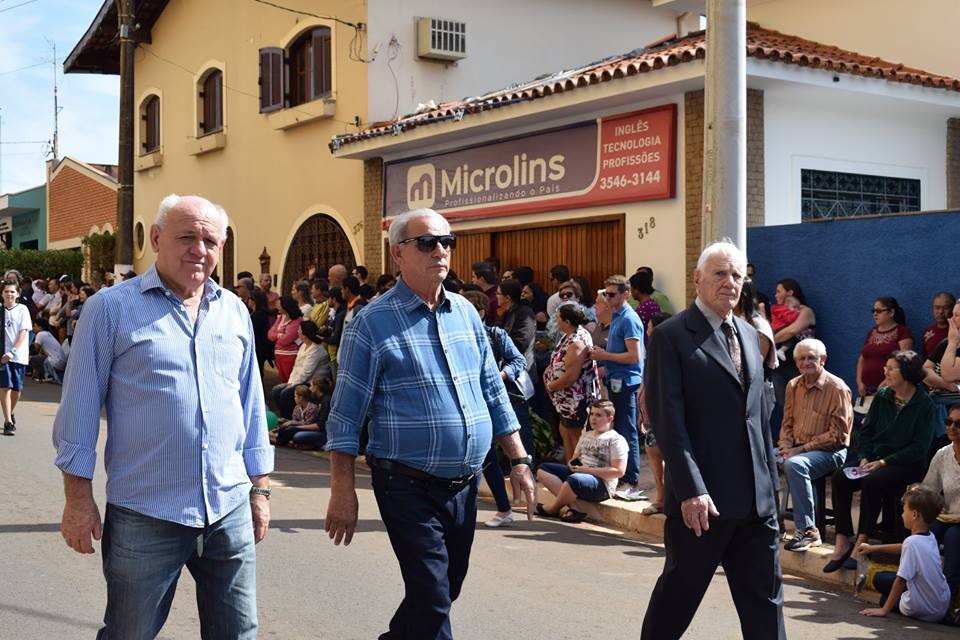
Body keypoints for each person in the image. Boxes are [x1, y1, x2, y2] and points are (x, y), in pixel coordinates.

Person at [52, 194, 273, 639]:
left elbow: (250, 404)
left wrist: (260, 489)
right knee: (129, 633)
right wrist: (77, 500)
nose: (199, 249)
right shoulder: (110, 309)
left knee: (239, 633)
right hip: (145, 512)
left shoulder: (233, 311)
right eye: (187, 236)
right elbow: (78, 408)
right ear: (156, 239)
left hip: (227, 507)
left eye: (210, 241)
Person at [323, 208, 536, 640]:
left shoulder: (467, 314)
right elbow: (345, 415)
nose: (440, 250)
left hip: (463, 485)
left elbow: (493, 392)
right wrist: (342, 490)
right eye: (427, 242)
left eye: (446, 242)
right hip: (405, 484)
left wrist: (519, 460)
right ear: (397, 253)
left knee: (444, 590)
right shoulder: (371, 323)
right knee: (433, 596)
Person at [641, 241, 784, 640]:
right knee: (676, 601)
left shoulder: (751, 335)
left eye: (737, 275)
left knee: (766, 608)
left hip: (757, 507)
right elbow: (669, 421)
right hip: (703, 505)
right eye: (720, 273)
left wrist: (770, 489)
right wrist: (690, 490)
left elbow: (757, 418)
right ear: (697, 279)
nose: (730, 282)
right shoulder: (671, 336)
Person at [826, 350, 935, 573]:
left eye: (891, 368)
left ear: (907, 372)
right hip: (874, 459)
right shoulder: (883, 396)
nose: (885, 372)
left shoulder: (924, 404)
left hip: (905, 464)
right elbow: (866, 432)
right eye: (886, 367)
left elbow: (919, 448)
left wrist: (884, 462)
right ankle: (842, 538)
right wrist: (865, 456)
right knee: (840, 477)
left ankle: (862, 541)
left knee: (873, 481)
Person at [461, 289, 533, 529]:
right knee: (482, 455)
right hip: (465, 403)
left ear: (481, 312)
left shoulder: (495, 335)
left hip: (490, 403)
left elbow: (519, 360)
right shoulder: (454, 336)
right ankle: (499, 508)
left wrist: (499, 376)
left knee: (484, 454)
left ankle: (493, 509)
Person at [777, 339, 853, 551]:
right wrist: (785, 446)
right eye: (801, 358)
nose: (806, 362)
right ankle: (773, 522)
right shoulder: (793, 385)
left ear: (823, 359)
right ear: (796, 362)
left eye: (811, 357)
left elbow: (838, 435)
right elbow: (787, 423)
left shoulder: (837, 388)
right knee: (760, 458)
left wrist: (799, 450)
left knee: (795, 465)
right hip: (796, 448)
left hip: (830, 451)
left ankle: (808, 530)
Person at [858, 484, 952, 622]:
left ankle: (890, 604)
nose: (902, 515)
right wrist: (873, 548)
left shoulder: (912, 542)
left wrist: (884, 610)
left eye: (904, 510)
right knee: (884, 580)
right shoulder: (930, 537)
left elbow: (901, 580)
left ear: (914, 514)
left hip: (925, 610)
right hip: (941, 605)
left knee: (881, 585)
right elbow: (905, 547)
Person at [589, 275, 645, 501]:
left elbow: (634, 356)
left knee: (627, 430)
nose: (607, 298)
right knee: (620, 430)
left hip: (626, 382)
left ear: (625, 295)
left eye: (612, 294)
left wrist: (605, 355)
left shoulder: (629, 319)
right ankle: (623, 476)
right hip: (616, 380)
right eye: (606, 294)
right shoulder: (617, 316)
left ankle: (631, 479)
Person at [535, 400, 627, 523]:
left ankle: (553, 509)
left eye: (598, 415)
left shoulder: (616, 440)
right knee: (543, 469)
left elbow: (619, 471)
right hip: (579, 474)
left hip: (601, 484)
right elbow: (575, 457)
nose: (593, 418)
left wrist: (587, 470)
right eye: (592, 414)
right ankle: (575, 508)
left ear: (610, 418)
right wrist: (571, 464)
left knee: (574, 480)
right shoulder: (586, 435)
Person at [544, 304, 599, 464]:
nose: (555, 321)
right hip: (565, 399)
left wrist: (551, 386)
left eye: (558, 318)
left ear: (567, 322)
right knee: (565, 431)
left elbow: (571, 376)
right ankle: (571, 469)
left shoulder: (577, 342)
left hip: (576, 399)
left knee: (576, 438)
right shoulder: (569, 335)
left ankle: (580, 472)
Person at [921, 405, 960, 602]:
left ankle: (947, 597)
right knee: (926, 533)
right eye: (948, 422)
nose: (952, 427)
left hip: (957, 523)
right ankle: (921, 587)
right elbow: (929, 490)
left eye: (958, 424)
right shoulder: (943, 454)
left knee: (953, 537)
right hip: (947, 516)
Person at [770, 278, 816, 437]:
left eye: (779, 291)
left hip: (801, 366)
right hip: (779, 366)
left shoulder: (805, 311)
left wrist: (771, 339)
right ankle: (789, 439)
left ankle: (804, 438)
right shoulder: (778, 311)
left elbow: (791, 331)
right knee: (784, 405)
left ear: (790, 292)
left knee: (803, 403)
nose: (776, 295)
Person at [638, 311, 672, 516]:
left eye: (650, 326)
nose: (648, 330)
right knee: (653, 453)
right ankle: (660, 497)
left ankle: (667, 498)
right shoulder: (651, 350)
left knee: (666, 455)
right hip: (650, 412)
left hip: (663, 413)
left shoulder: (668, 352)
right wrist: (642, 412)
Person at [856, 296, 914, 400]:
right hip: (867, 392)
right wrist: (859, 382)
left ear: (891, 312)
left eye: (878, 311)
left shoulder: (902, 332)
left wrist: (885, 383)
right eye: (873, 311)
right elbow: (862, 359)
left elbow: (904, 362)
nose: (875, 314)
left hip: (891, 390)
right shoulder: (872, 332)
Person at [270, 320, 331, 418]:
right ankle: (284, 417)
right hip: (301, 380)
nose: (297, 332)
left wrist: (293, 384)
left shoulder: (316, 350)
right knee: (275, 390)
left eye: (299, 330)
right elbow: (296, 367)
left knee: (286, 393)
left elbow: (306, 372)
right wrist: (290, 382)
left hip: (312, 382)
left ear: (305, 335)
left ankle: (290, 418)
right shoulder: (303, 346)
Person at [0, 279, 31, 435]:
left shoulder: (22, 309)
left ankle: (10, 412)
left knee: (16, 390)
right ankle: (8, 422)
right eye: (6, 291)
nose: (9, 294)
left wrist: (12, 351)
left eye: (12, 291)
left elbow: (23, 332)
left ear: (18, 294)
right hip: (2, 355)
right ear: (2, 293)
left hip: (18, 355)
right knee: (5, 387)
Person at [268, 295, 303, 383]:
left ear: (286, 306)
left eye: (279, 305)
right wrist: (280, 335)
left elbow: (286, 340)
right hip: (278, 355)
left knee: (290, 381)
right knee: (283, 381)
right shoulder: (280, 317)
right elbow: (269, 335)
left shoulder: (297, 320)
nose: (277, 307)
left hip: (290, 356)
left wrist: (276, 335)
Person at [30, 316, 67, 384]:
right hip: (61, 363)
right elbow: (40, 352)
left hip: (55, 362)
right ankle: (44, 375)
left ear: (40, 327)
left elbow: (35, 349)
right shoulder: (48, 334)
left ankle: (48, 375)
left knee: (31, 359)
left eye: (35, 326)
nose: (33, 328)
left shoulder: (40, 334)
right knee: (38, 358)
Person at [628, 270, 663, 335]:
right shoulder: (654, 304)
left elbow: (635, 329)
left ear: (637, 289)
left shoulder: (643, 308)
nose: (631, 292)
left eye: (631, 289)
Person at [922, 292, 955, 359]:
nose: (940, 312)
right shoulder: (928, 332)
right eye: (937, 307)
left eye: (945, 308)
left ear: (953, 309)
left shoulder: (957, 332)